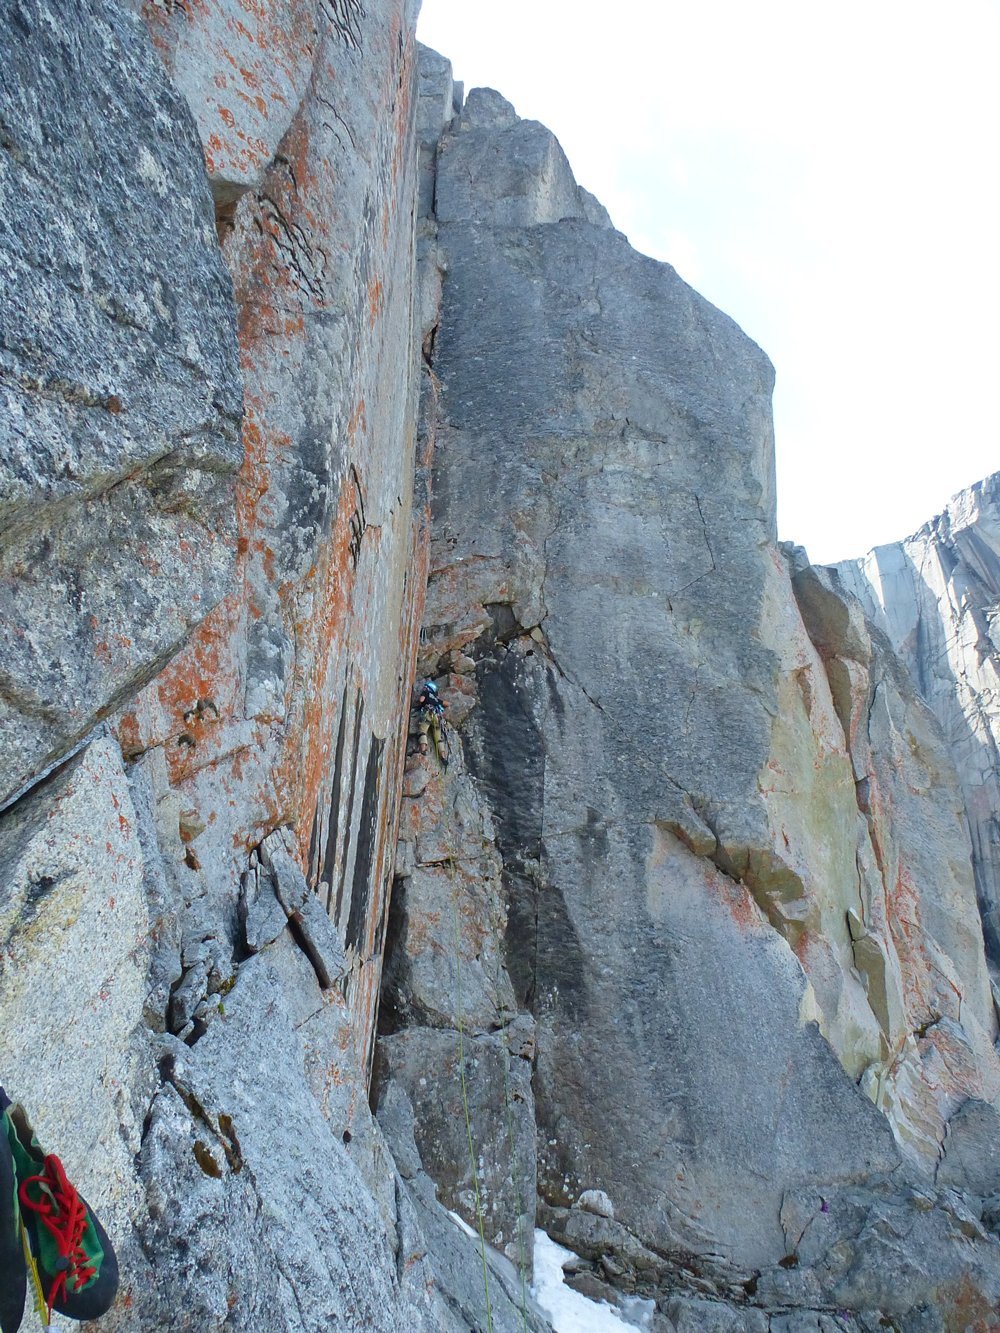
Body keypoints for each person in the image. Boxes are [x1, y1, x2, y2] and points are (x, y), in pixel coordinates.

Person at [414, 680, 448, 764]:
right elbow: (446, 703)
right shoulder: (436, 698)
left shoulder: (426, 693)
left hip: (428, 714)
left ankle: (423, 749)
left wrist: (419, 703)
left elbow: (421, 700)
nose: (424, 688)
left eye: (425, 687)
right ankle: (443, 757)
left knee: (422, 731)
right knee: (438, 738)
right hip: (437, 717)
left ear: (428, 688)